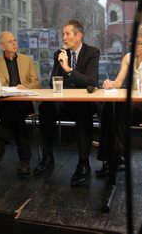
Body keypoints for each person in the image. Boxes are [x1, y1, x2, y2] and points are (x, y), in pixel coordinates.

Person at [96, 23, 142, 177]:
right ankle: (115, 159)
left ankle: (113, 160)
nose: (135, 46)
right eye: (133, 42)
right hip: (132, 105)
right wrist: (110, 85)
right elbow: (118, 83)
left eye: (140, 43)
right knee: (111, 109)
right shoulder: (128, 58)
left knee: (116, 111)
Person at [33, 19, 100, 186]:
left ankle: (83, 163)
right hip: (64, 103)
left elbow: (91, 81)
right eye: (63, 34)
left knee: (83, 111)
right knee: (46, 108)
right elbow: (53, 82)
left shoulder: (92, 52)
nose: (64, 37)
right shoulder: (60, 54)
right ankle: (47, 157)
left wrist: (69, 70)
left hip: (84, 103)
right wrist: (61, 64)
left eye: (67, 34)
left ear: (79, 35)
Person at [0, 31, 41, 175]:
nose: (15, 43)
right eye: (10, 41)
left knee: (15, 111)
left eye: (15, 40)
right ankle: (25, 159)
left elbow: (36, 83)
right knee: (16, 116)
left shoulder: (26, 60)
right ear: (2, 45)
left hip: (23, 101)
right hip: (3, 104)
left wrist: (25, 87)